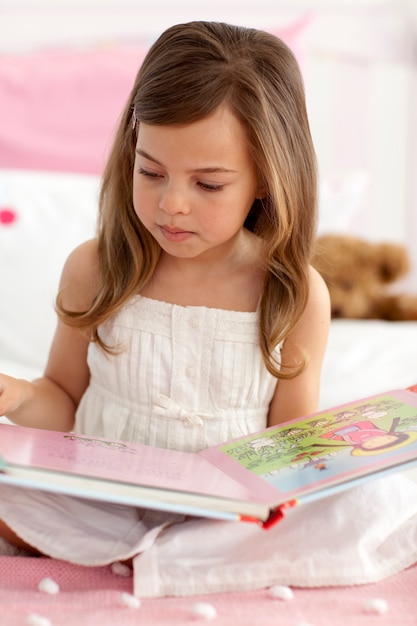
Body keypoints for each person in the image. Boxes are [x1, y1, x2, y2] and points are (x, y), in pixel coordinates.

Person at [0, 22, 416, 597]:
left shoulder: (293, 294)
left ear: (266, 181)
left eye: (209, 184)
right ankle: (150, 554)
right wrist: (19, 396)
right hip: (96, 499)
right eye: (151, 172)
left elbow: (287, 449)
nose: (172, 203)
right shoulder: (95, 268)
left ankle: (185, 555)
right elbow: (63, 404)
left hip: (226, 518)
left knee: (380, 500)